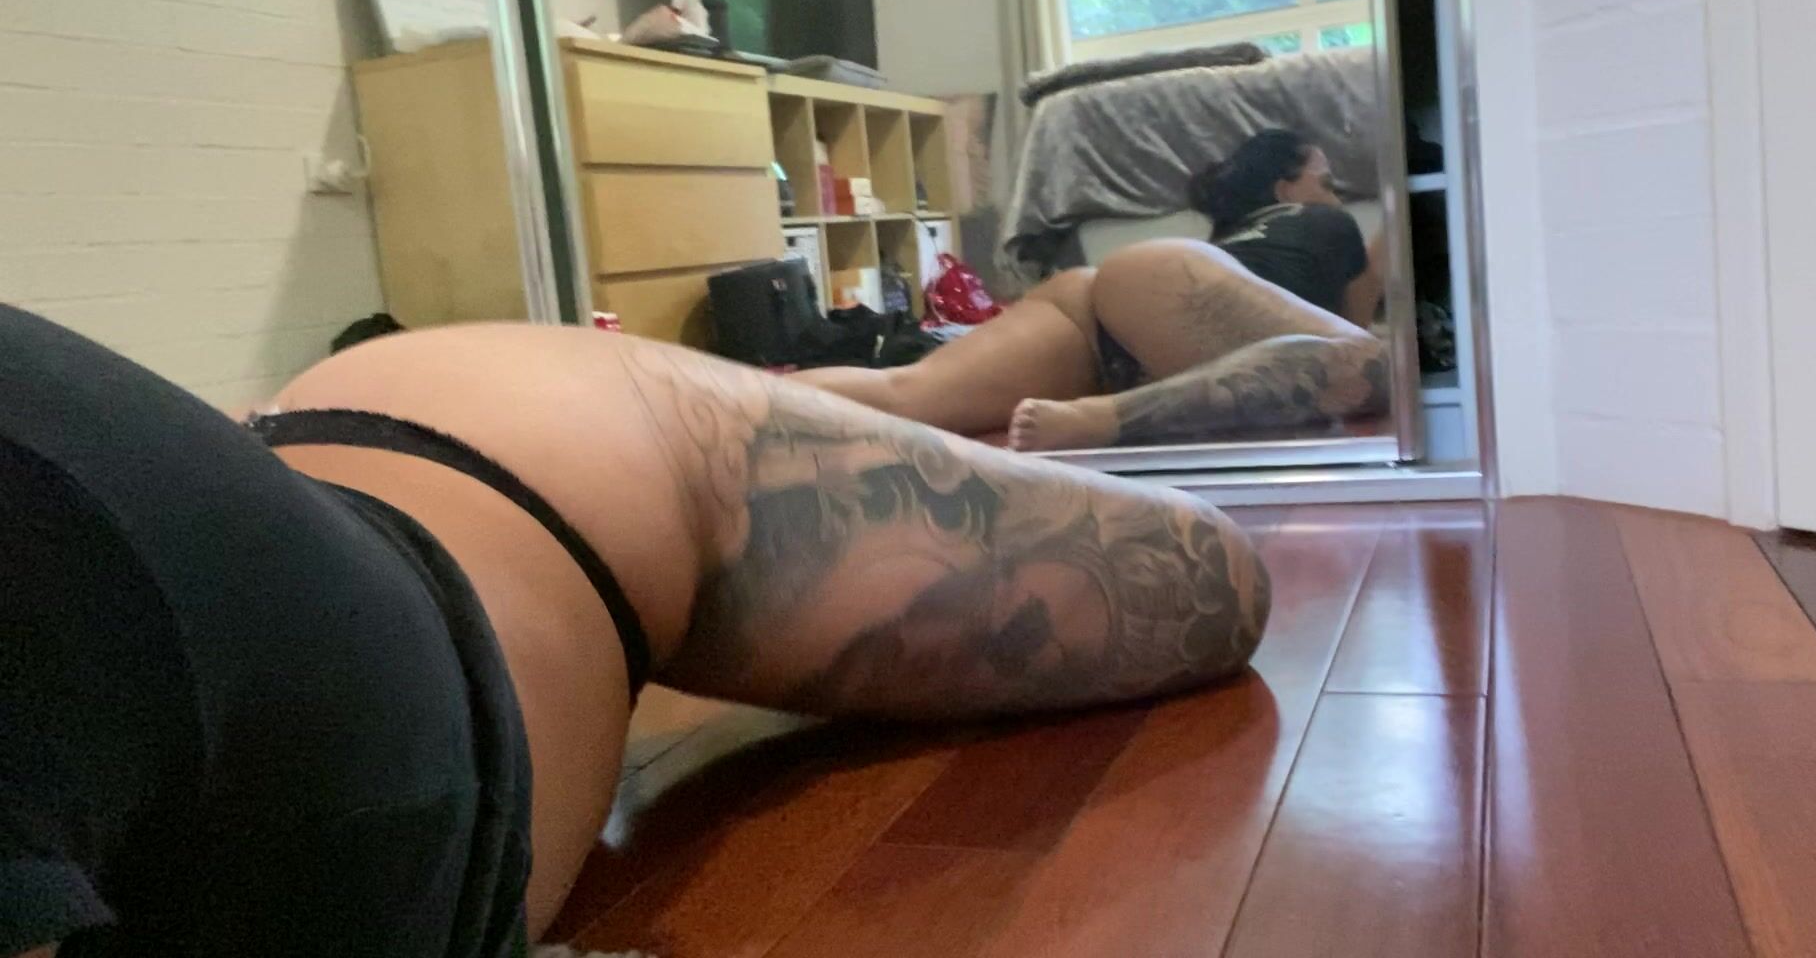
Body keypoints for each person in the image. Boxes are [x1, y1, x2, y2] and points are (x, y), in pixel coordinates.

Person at [0, 303, 1270, 958]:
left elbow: (1341, 370)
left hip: (540, 457)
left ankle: (857, 395)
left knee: (1207, 578)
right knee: (911, 386)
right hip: (355, 489)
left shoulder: (1145, 277)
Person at [794, 129, 1391, 452]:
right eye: (1326, 182)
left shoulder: (1237, 235)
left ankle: (733, 405)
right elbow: (1355, 330)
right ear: (1286, 190)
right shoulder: (1326, 222)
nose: (1335, 195)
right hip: (1161, 291)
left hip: (1106, 294)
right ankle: (1110, 419)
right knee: (1371, 364)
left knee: (904, 392)